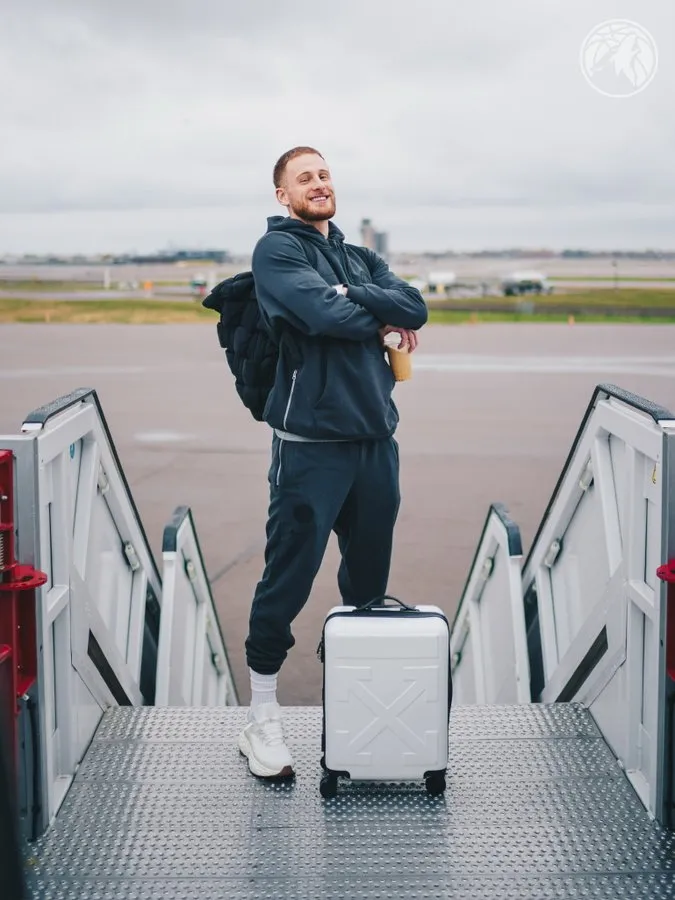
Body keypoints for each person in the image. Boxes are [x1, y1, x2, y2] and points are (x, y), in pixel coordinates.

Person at [237, 146, 427, 778]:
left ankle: (358, 711)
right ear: (282, 195)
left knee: (368, 587)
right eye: (304, 178)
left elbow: (416, 308)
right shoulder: (278, 253)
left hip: (375, 444)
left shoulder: (358, 255)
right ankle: (261, 721)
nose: (319, 184)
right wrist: (374, 313)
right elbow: (322, 313)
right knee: (286, 582)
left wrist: (359, 295)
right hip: (309, 451)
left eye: (324, 174)